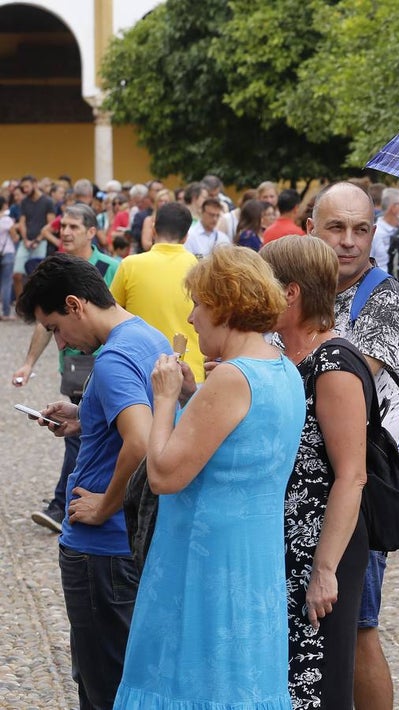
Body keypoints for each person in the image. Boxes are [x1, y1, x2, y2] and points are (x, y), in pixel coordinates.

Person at [114, 247, 305, 709]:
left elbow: (162, 474)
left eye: (199, 303)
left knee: (193, 684)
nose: (194, 317)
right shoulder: (284, 370)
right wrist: (190, 394)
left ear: (222, 304)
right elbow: (234, 451)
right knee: (242, 684)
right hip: (253, 559)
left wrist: (163, 399)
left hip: (203, 562)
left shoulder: (232, 378)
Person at [17, 254, 169, 710]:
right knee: (130, 672)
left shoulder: (112, 359)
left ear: (74, 304)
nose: (61, 341)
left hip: (103, 548)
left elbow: (140, 442)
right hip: (135, 539)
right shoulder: (146, 334)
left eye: (55, 327)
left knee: (103, 684)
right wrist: (86, 417)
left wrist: (105, 504)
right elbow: (146, 417)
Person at [307, 182, 399, 710]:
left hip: (357, 484)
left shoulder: (388, 301)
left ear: (374, 232)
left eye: (359, 229)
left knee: (357, 626)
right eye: (336, 228)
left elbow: (337, 375)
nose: (348, 241)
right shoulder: (306, 292)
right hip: (306, 482)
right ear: (312, 230)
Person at [261, 235, 371, 709]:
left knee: (316, 682)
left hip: (322, 546)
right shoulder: (285, 355)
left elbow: (352, 475)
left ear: (291, 293)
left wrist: (324, 569)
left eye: (261, 286)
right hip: (283, 543)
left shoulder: (335, 364)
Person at [14, 204, 121, 534]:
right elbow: (44, 324)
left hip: (101, 360)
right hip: (74, 367)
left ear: (92, 232)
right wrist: (29, 363)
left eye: (75, 226)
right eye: (63, 227)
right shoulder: (55, 270)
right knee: (80, 427)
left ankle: (67, 501)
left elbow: (117, 311)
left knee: (91, 434)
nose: (66, 232)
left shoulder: (111, 268)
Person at [110, 202, 206, 383]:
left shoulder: (130, 265)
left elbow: (110, 315)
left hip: (141, 372)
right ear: (186, 236)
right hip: (190, 373)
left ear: (153, 230)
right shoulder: (200, 269)